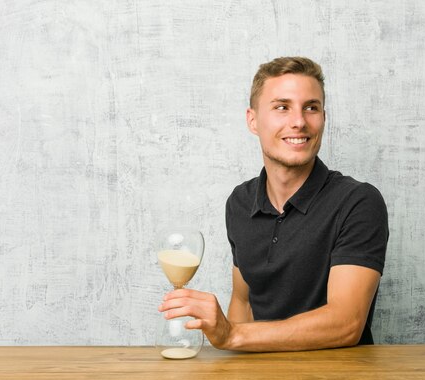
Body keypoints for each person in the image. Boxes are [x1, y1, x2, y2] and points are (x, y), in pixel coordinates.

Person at [158, 56, 389, 352]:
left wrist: (233, 335)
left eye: (311, 107)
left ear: (323, 118)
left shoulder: (358, 202)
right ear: (252, 120)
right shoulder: (240, 203)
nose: (299, 121)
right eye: (282, 107)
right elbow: (244, 303)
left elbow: (346, 324)